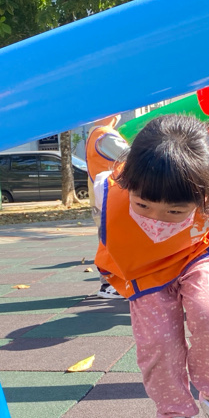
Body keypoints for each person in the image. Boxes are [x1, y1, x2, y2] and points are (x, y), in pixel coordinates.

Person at [95, 114, 209, 418]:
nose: (158, 218)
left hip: (196, 252)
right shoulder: (111, 188)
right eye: (143, 205)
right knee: (158, 342)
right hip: (145, 268)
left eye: (175, 211)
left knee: (208, 310)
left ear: (204, 195)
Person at [85, 114, 128, 299]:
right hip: (110, 197)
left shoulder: (95, 134)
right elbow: (131, 156)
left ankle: (111, 283)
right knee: (112, 242)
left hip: (105, 197)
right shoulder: (104, 135)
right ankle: (110, 284)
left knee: (110, 240)